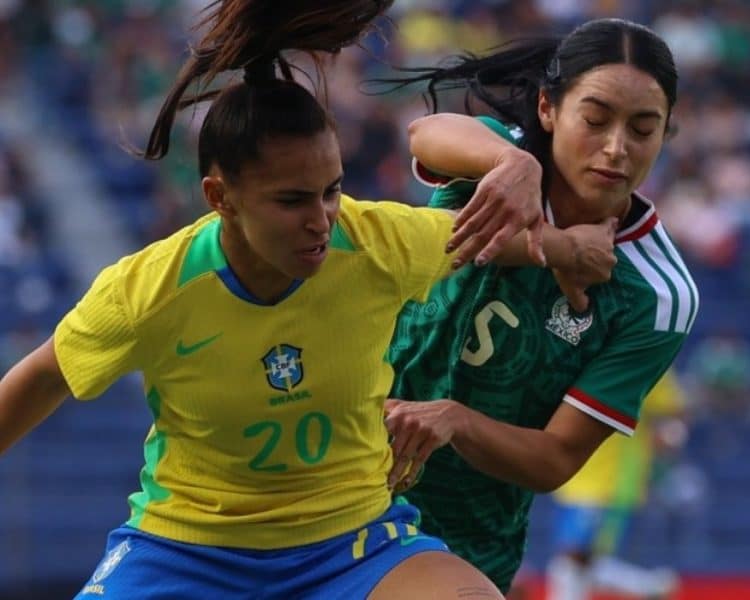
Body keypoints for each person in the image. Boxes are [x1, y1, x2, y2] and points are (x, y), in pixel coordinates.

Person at [0, 2, 610, 598]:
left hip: (352, 546)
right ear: (220, 197)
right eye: (292, 201)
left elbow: (482, 239)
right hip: (185, 551)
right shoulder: (149, 289)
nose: (322, 221)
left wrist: (568, 250)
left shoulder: (374, 242)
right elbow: (44, 376)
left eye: (332, 191)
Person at [381, 18, 699, 593]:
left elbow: (554, 458)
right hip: (333, 473)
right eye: (595, 120)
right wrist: (520, 178)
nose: (616, 148)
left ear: (666, 134)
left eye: (644, 129)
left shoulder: (658, 294)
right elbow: (426, 134)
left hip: (459, 537)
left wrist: (456, 420)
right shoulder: (495, 164)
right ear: (549, 109)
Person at [546, 372, 687, 600]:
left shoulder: (644, 353)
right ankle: (650, 587)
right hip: (572, 477)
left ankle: (651, 587)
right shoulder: (581, 349)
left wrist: (667, 435)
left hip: (610, 481)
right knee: (576, 561)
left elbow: (675, 411)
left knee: (575, 557)